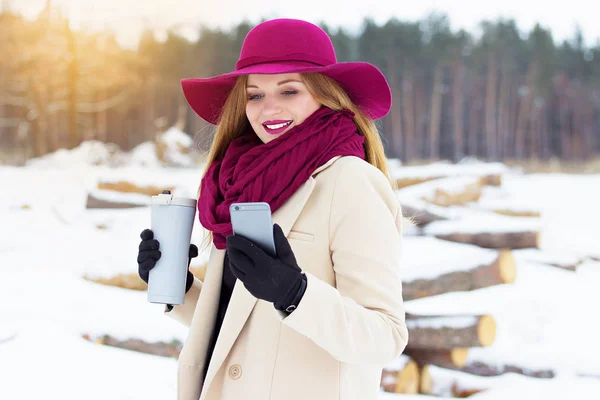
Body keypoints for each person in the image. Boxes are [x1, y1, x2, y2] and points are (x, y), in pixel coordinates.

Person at [137, 18, 409, 400]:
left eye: (289, 90)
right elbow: (246, 323)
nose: (269, 109)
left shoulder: (350, 181)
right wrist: (178, 287)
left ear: (325, 95)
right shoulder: (237, 184)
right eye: (255, 95)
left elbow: (385, 336)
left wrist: (294, 292)